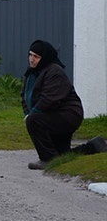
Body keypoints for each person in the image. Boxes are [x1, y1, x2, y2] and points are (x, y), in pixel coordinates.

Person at [21, 40, 84, 170]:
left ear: (44, 58)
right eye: (30, 55)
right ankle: (96, 147)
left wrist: (31, 115)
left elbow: (49, 99)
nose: (31, 59)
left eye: (36, 57)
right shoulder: (32, 72)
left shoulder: (54, 72)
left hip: (68, 115)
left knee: (34, 121)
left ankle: (47, 159)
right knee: (63, 156)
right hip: (54, 114)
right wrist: (27, 112)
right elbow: (24, 95)